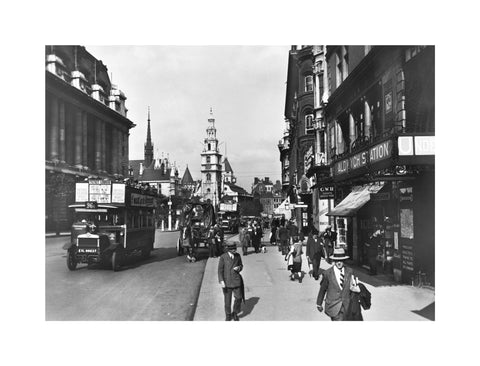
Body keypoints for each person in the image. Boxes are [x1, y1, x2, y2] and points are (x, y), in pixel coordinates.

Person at [316, 247, 360, 321]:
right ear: (334, 261)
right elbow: (323, 289)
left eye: (341, 260)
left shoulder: (349, 271)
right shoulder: (327, 273)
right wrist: (319, 303)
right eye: (337, 261)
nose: (339, 263)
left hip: (347, 305)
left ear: (344, 261)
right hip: (333, 306)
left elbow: (353, 286)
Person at [218, 242, 244, 321]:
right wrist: (221, 280)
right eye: (233, 249)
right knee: (227, 301)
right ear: (229, 250)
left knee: (239, 298)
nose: (235, 250)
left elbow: (241, 265)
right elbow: (220, 270)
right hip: (227, 282)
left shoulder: (238, 256)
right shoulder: (223, 257)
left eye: (235, 248)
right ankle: (228, 315)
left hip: (236, 280)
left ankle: (235, 313)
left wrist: (239, 268)